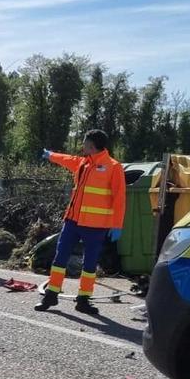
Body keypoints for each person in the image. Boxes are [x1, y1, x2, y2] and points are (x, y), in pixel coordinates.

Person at [35, 129, 126, 315]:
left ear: (92, 145)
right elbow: (67, 159)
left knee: (90, 264)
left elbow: (120, 198)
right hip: (73, 221)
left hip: (96, 225)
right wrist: (51, 155)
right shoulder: (84, 162)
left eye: (84, 143)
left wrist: (117, 224)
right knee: (60, 258)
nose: (82, 146)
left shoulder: (113, 167)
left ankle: (83, 300)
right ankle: (51, 295)